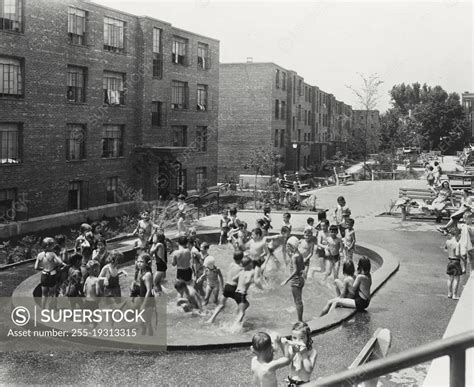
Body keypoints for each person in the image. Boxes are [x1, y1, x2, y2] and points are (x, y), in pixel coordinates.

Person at [207, 251, 243, 323]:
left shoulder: (231, 264)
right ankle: (236, 324)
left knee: (221, 304)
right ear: (241, 259)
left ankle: (211, 319)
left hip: (227, 286)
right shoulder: (241, 269)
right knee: (242, 307)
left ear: (233, 258)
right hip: (234, 288)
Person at [34, 237, 65, 309]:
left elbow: (36, 267)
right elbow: (60, 262)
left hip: (44, 275)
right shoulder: (52, 254)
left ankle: (43, 309)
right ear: (48, 246)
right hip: (52, 275)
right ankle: (53, 308)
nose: (53, 247)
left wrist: (43, 268)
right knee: (53, 294)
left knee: (44, 295)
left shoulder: (39, 255)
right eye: (52, 245)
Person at [281, 236, 305, 322]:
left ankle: (300, 321)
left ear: (291, 246)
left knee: (297, 301)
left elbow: (295, 270)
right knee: (299, 300)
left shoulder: (294, 257)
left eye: (287, 245)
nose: (286, 247)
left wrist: (286, 280)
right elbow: (303, 267)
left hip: (295, 280)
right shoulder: (299, 255)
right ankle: (300, 319)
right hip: (301, 279)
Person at [233, 256, 263, 323]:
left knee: (246, 304)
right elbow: (251, 281)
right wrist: (251, 282)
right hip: (242, 294)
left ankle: (236, 315)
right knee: (242, 312)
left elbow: (234, 279)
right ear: (249, 264)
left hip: (236, 293)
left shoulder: (241, 272)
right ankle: (235, 326)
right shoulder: (251, 272)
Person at [136, 254, 155, 335]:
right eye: (138, 261)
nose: (139, 263)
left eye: (141, 262)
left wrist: (144, 304)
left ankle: (150, 341)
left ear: (146, 263)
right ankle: (143, 339)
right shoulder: (141, 272)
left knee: (147, 323)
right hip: (143, 299)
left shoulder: (147, 275)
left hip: (147, 301)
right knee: (142, 323)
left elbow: (149, 290)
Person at [83, 260, 102, 326]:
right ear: (95, 270)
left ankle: (85, 330)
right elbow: (97, 293)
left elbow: (84, 290)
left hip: (86, 301)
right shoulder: (97, 280)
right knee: (95, 319)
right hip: (94, 303)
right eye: (99, 269)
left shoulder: (87, 279)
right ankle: (94, 329)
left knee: (87, 318)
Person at [445, 231, 462, 299]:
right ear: (457, 235)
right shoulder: (457, 244)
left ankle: (449, 293)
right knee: (456, 278)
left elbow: (446, 248)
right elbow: (457, 254)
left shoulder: (447, 241)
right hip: (456, 261)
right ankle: (454, 295)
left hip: (450, 261)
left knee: (450, 278)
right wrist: (462, 257)